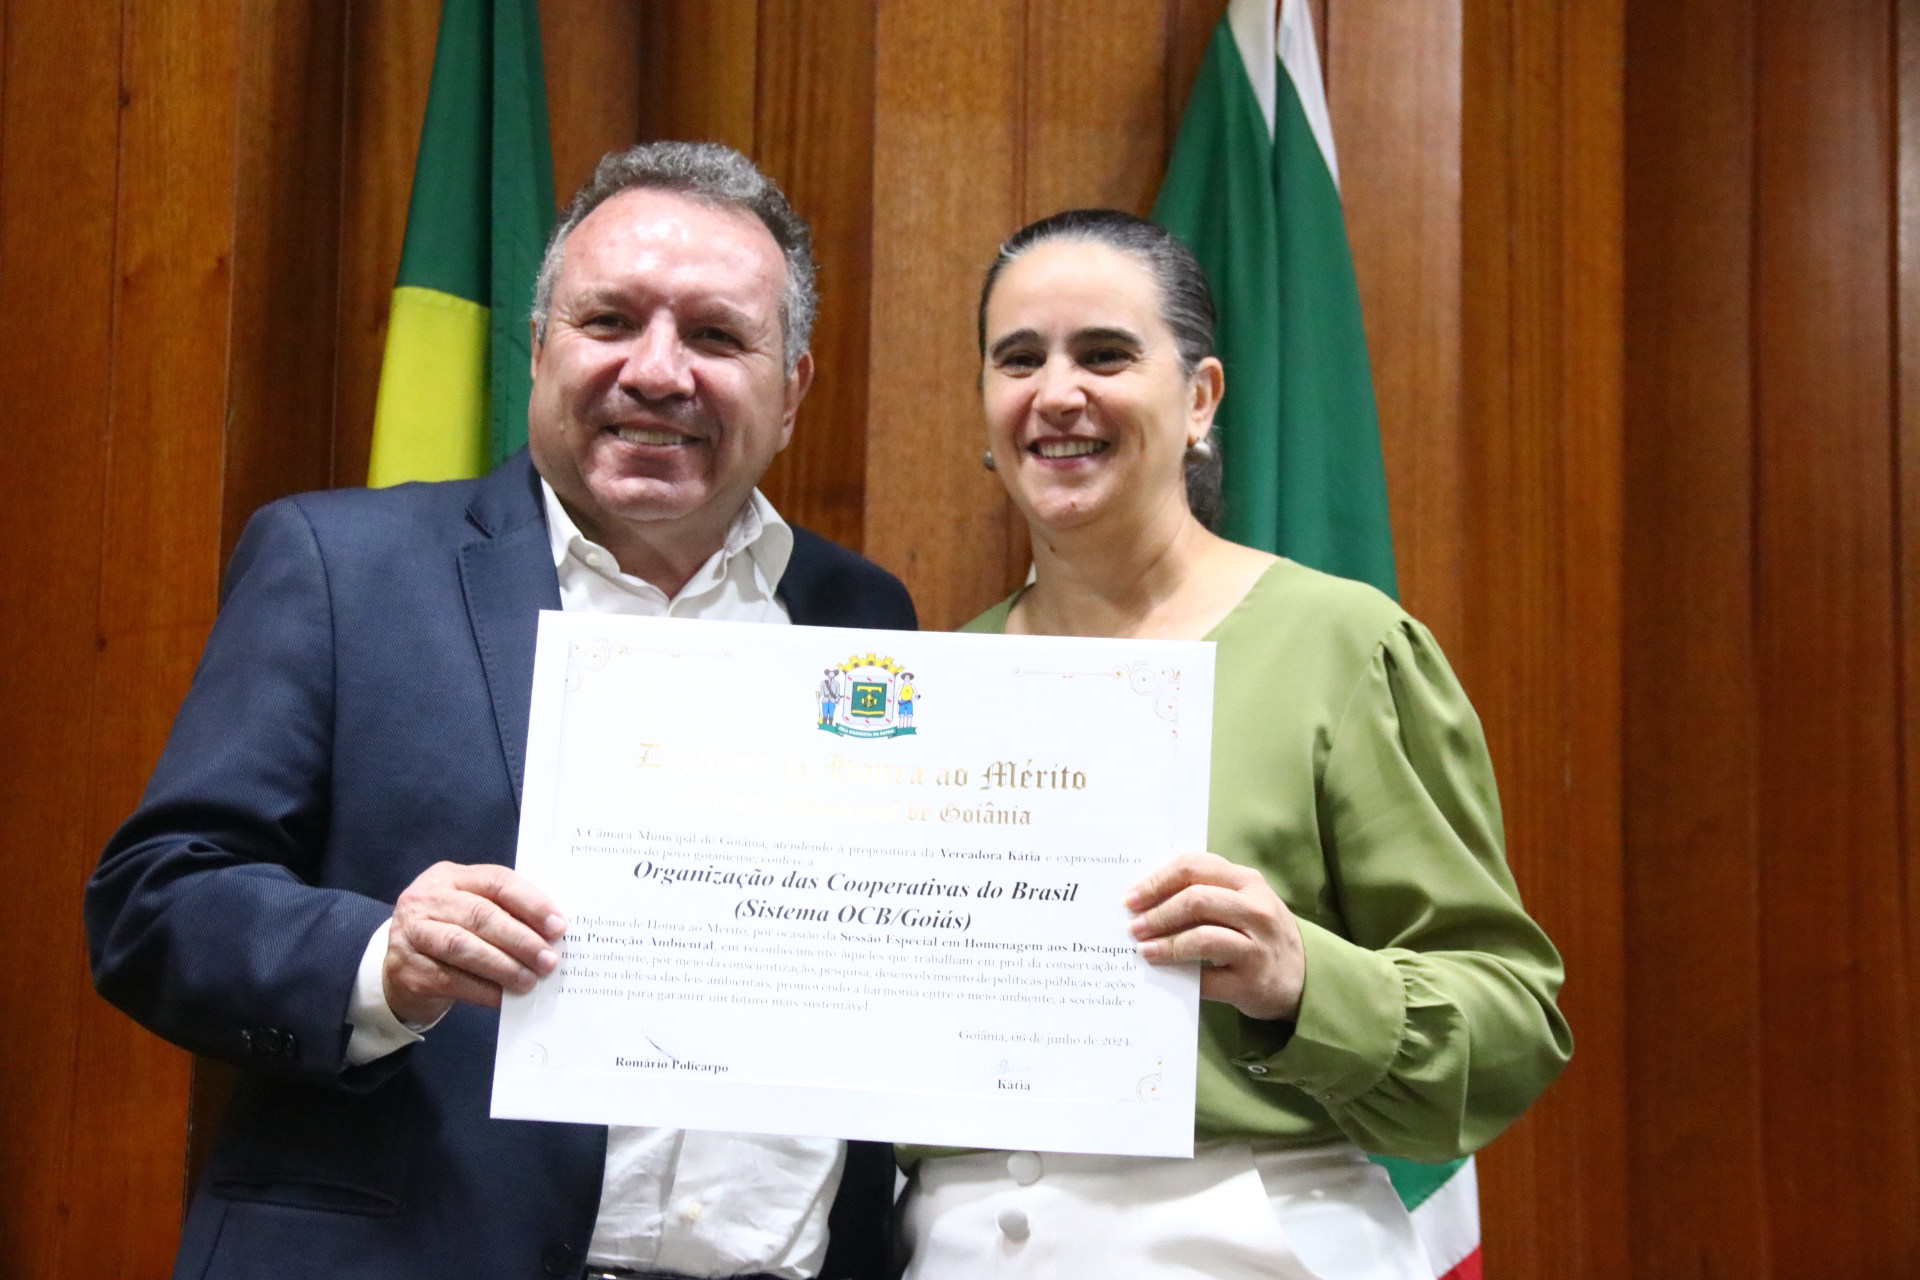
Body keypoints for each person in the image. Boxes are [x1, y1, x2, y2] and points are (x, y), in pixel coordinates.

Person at [85, 143, 913, 1280]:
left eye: (716, 336)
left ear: (793, 388)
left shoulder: (861, 616)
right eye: (609, 320)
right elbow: (155, 902)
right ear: (538, 347)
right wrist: (383, 960)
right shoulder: (342, 565)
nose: (656, 371)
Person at [898, 209, 1572, 1279]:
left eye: (1105, 355)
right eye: (1019, 359)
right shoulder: (934, 683)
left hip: (1253, 1239)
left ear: (1201, 398)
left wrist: (1300, 977)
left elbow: (1511, 1020)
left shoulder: (1340, 645)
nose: (1057, 393)